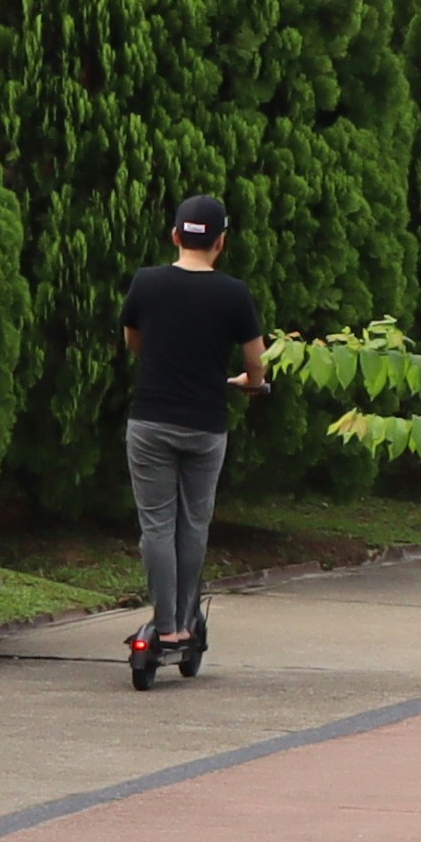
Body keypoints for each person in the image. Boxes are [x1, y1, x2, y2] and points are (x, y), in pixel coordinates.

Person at [116, 197, 269, 683]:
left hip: (150, 422)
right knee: (194, 524)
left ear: (175, 235)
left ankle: (166, 628)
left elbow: (133, 340)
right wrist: (250, 383)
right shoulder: (233, 294)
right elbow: (255, 361)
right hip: (206, 425)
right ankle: (185, 624)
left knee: (156, 525)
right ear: (221, 241)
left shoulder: (147, 282)